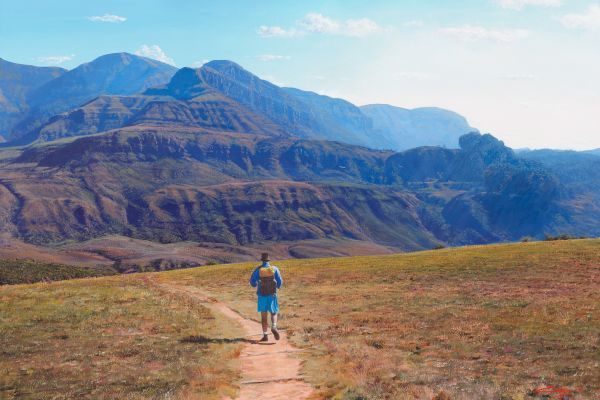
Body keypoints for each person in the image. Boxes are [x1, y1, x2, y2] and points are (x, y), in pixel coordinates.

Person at [249, 253, 283, 342]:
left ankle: (265, 335)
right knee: (274, 312)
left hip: (262, 295)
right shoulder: (274, 269)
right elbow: (280, 281)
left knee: (264, 316)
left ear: (262, 260)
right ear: (268, 260)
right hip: (272, 294)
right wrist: (277, 287)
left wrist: (257, 284)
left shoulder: (258, 270)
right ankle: (274, 326)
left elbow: (252, 282)